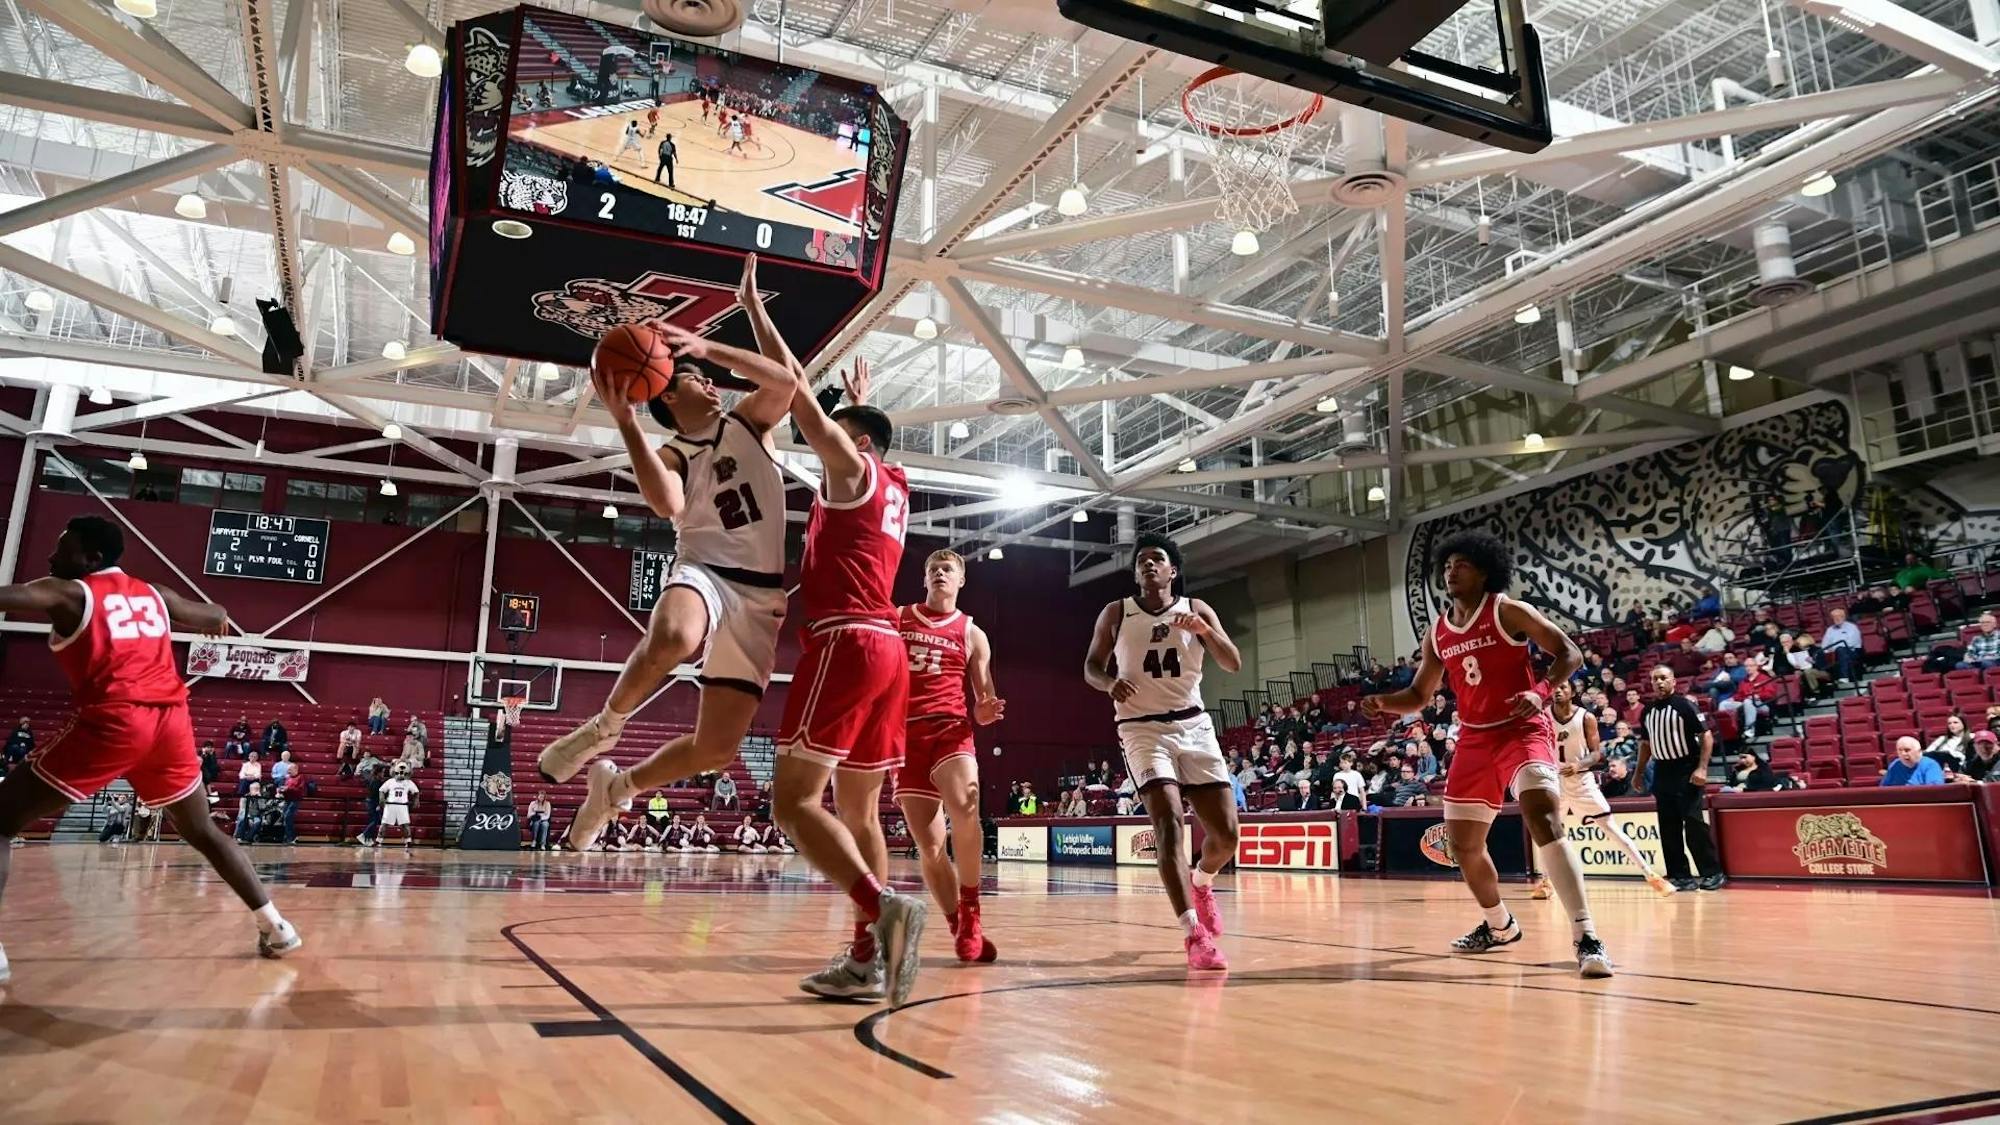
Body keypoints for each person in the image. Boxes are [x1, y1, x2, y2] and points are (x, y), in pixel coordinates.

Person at [610, 274, 927, 1007]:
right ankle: (864, 957)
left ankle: (885, 915)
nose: (823, 433)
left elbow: (794, 386)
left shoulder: (849, 470)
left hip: (846, 641)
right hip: (889, 651)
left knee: (792, 804)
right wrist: (856, 402)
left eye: (840, 427)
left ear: (859, 443)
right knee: (859, 813)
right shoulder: (893, 484)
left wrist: (749, 315)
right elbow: (829, 411)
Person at [536, 257, 793, 868]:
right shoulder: (673, 451)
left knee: (715, 751)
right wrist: (626, 423)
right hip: (704, 570)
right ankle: (604, 728)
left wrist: (714, 341)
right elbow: (665, 503)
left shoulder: (749, 425)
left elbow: (784, 382)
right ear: (665, 396)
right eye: (692, 378)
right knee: (676, 633)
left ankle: (614, 789)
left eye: (706, 375)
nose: (708, 381)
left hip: (760, 598)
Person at [0, 517, 302, 980]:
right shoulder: (156, 594)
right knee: (203, 831)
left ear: (92, 559)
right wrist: (214, 619)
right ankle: (276, 927)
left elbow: (11, 595)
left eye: (62, 548)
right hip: (171, 724)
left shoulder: (68, 593)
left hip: (117, 721)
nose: (51, 556)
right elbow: (215, 611)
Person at [1362, 530, 1614, 978]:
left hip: (1522, 729)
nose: (1450, 571)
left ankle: (1586, 935)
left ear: (1484, 571)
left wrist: (1540, 692)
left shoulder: (1508, 610)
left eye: (1460, 564)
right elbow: (1420, 695)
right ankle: (1500, 925)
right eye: (1446, 565)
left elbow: (1569, 653)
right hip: (1475, 739)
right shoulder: (1438, 632)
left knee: (1544, 818)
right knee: (1463, 846)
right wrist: (1384, 702)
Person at [1084, 532, 1243, 972]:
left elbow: (1233, 663)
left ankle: (1203, 883)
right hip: (1141, 729)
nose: (1148, 565)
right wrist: (1108, 682)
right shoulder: (1117, 612)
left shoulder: (1196, 610)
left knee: (1227, 836)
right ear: (1136, 574)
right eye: (1141, 561)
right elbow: (1091, 666)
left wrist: (1205, 631)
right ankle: (1194, 933)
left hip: (1193, 724)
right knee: (1169, 821)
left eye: (1157, 559)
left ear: (1173, 571)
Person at [896, 548, 1006, 965]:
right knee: (929, 847)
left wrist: (986, 711)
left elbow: (982, 700)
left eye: (949, 569)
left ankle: (973, 910)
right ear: (925, 580)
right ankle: (958, 926)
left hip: (950, 730)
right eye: (934, 568)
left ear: (961, 581)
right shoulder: (899, 618)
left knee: (965, 807)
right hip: (904, 736)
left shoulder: (972, 633)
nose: (940, 573)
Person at [1532, 681, 1673, 898]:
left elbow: (1596, 754)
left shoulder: (1586, 717)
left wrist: (1578, 764)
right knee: (1548, 832)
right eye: (1555, 688)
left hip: (1581, 780)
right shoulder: (1543, 715)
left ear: (1573, 692)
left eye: (1563, 687)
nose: (1558, 691)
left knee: (1611, 829)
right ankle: (1545, 882)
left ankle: (1651, 875)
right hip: (1555, 781)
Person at [1637, 664, 1726, 892]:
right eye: (1655, 679)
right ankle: (1680, 876)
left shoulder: (1684, 705)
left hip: (1686, 769)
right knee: (1668, 828)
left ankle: (1712, 872)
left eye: (1664, 678)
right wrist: (1638, 773)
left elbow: (1705, 736)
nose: (1659, 682)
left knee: (1694, 824)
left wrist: (1702, 769)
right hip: (1662, 771)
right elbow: (1645, 745)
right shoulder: (1647, 711)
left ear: (1674, 681)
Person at [376, 762, 419, 848]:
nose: (401, 775)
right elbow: (381, 790)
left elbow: (416, 792)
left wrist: (416, 801)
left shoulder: (409, 782)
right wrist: (381, 799)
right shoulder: (390, 781)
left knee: (405, 824)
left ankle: (408, 841)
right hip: (390, 805)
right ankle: (378, 840)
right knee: (384, 823)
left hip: (402, 805)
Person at [1820, 607, 1863, 684]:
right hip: (1834, 653)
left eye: (1838, 616)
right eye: (1833, 617)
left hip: (1851, 652)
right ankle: (1826, 681)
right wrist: (1828, 650)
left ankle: (1844, 677)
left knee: (1841, 649)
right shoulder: (1830, 629)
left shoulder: (1851, 627)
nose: (1836, 619)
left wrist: (1834, 648)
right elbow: (1824, 645)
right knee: (1820, 653)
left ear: (1843, 617)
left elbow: (1851, 643)